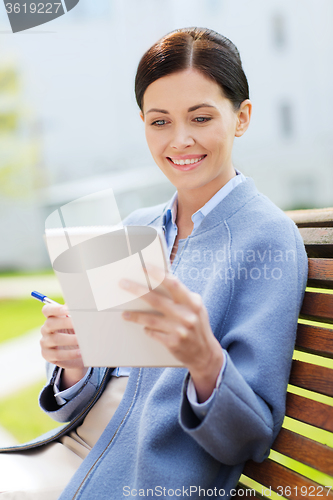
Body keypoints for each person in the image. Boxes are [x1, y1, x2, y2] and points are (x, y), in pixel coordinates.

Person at [0, 27, 308, 499]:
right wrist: (75, 364)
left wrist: (204, 360)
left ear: (241, 117)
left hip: (141, 481)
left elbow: (250, 435)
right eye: (160, 122)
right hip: (75, 450)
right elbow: (76, 400)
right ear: (142, 122)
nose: (180, 140)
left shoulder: (266, 240)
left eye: (201, 117)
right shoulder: (137, 228)